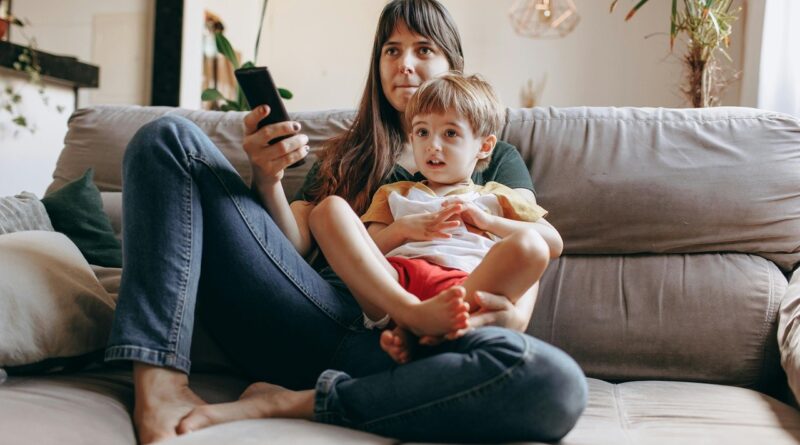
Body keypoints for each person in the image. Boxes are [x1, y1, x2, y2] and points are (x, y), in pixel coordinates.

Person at [105, 0, 588, 443]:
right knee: (166, 138)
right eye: (391, 51)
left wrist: (496, 318)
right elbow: (290, 250)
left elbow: (529, 253)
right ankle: (160, 386)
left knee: (555, 382)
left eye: (423, 49)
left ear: (451, 64)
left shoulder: (490, 157)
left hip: (412, 347)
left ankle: (295, 402)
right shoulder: (348, 152)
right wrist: (267, 177)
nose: (405, 64)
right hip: (312, 314)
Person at [310, 73, 555, 365]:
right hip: (395, 289)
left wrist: (488, 222)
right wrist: (403, 229)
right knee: (327, 210)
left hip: (464, 289)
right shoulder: (395, 193)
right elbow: (369, 249)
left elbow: (553, 242)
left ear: (485, 146)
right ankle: (413, 318)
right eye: (422, 132)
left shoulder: (496, 197)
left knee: (532, 246)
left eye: (450, 133)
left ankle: (421, 334)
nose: (432, 146)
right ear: (411, 138)